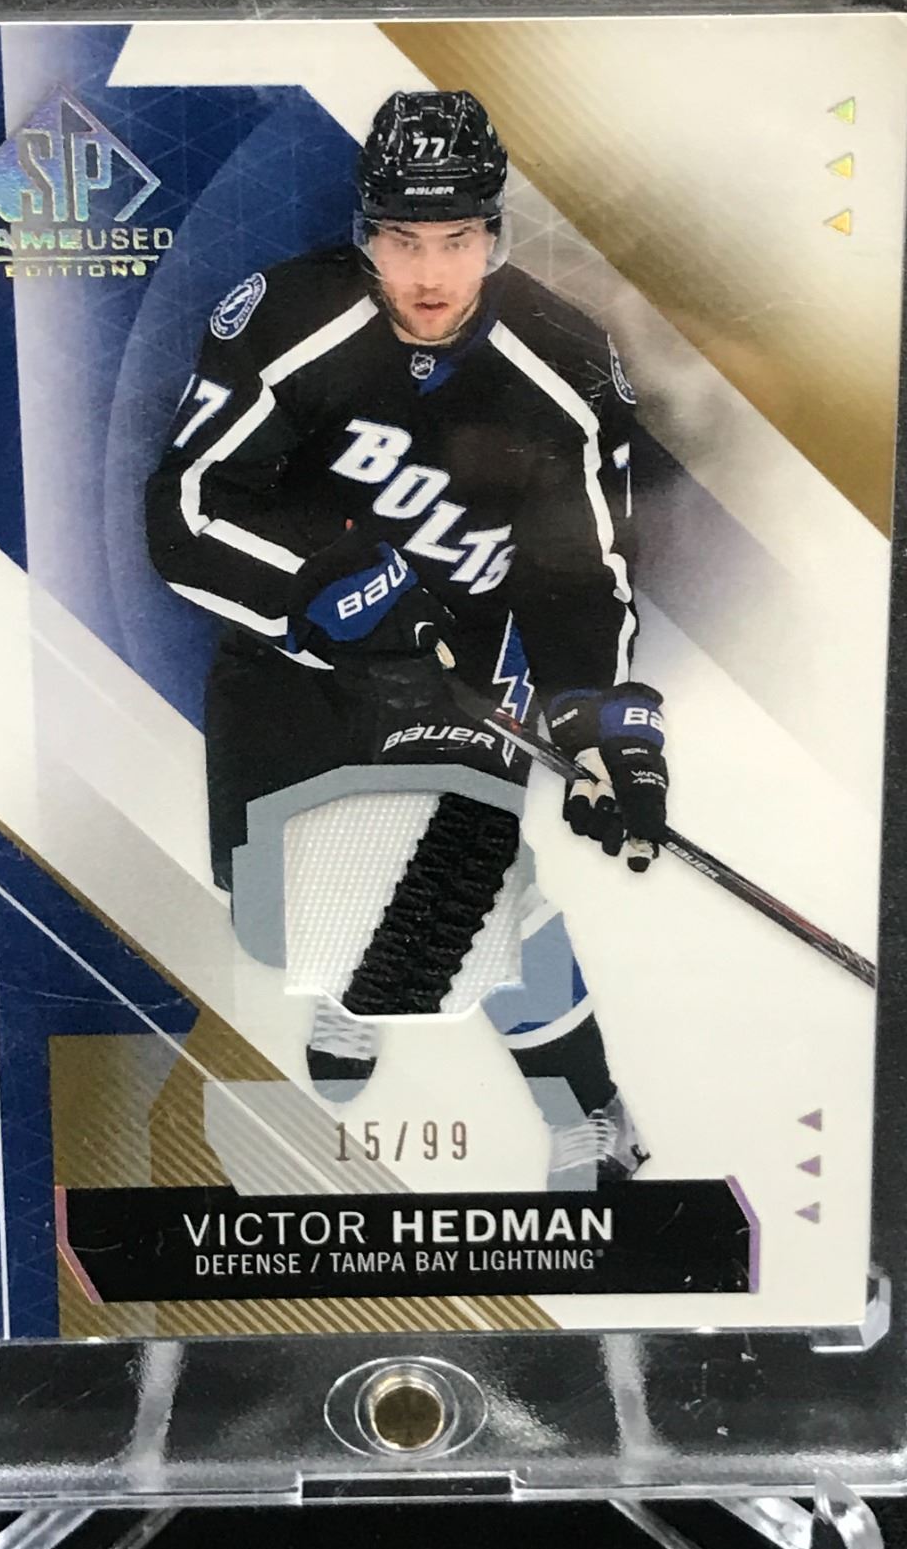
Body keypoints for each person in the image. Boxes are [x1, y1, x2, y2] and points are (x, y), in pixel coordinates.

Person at [146, 90, 668, 1187]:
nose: (430, 275)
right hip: (293, 654)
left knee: (460, 893)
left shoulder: (563, 357)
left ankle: (591, 1112)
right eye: (401, 241)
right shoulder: (287, 320)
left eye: (457, 240)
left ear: (496, 233)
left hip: (459, 668)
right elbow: (187, 511)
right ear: (365, 233)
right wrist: (318, 583)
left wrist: (604, 730)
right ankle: (355, 972)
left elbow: (586, 573)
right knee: (268, 900)